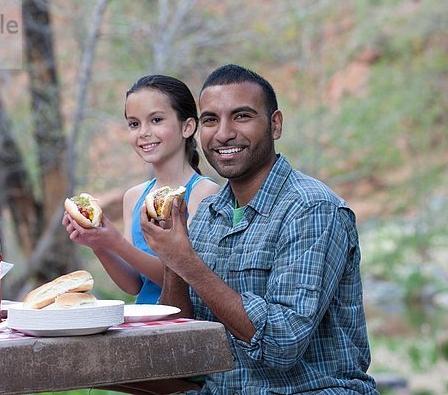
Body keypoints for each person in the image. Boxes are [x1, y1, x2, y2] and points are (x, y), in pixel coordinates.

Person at [141, 65, 379, 394]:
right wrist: (171, 257)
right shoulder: (210, 211)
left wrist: (186, 261)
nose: (223, 133)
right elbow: (180, 342)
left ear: (275, 124)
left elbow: (283, 343)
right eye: (211, 120)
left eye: (241, 116)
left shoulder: (311, 209)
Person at [62, 74, 219, 305]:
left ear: (187, 127)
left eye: (156, 120)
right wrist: (99, 244)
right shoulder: (134, 196)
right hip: (144, 327)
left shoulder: (203, 192)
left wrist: (116, 243)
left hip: (186, 329)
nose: (143, 132)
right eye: (134, 124)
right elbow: (134, 284)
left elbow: (188, 280)